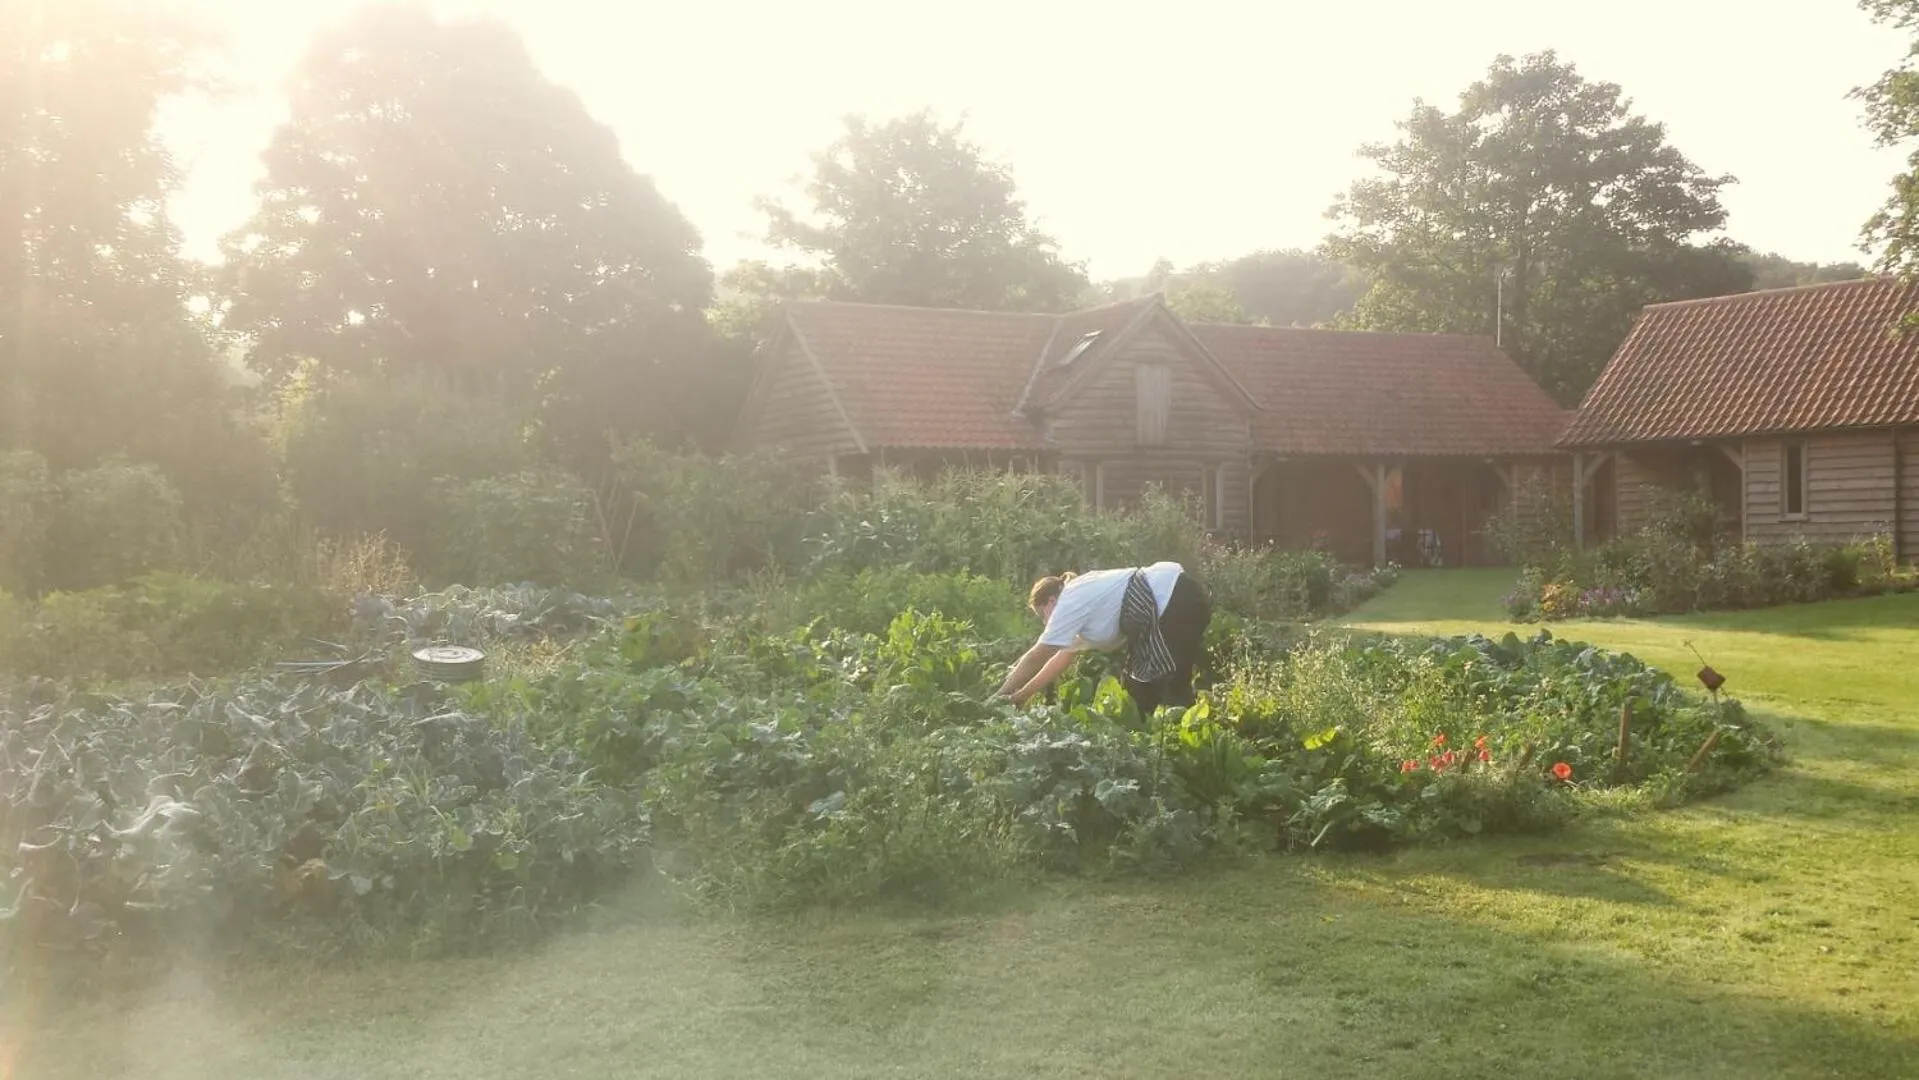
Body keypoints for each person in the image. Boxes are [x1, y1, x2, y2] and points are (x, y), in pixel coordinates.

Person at [993, 560, 1211, 713]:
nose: (1045, 622)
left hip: (1175, 600)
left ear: (1051, 601)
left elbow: (1036, 657)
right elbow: (1058, 661)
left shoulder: (1070, 598)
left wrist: (998, 697)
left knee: (1171, 685)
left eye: (1042, 615)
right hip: (1167, 608)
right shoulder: (1078, 611)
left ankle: (1187, 750)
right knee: (1137, 692)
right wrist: (1020, 696)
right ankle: (1151, 750)